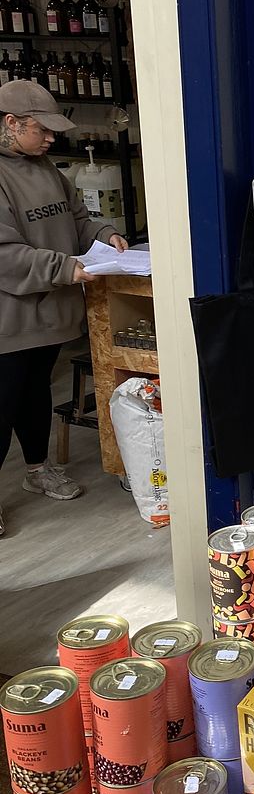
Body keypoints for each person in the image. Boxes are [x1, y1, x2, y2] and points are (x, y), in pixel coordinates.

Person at [0, 80, 128, 536]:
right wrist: (65, 267)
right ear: (11, 123)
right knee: (2, 405)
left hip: (49, 313)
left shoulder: (47, 169)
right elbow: (4, 254)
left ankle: (38, 470)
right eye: (42, 129)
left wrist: (103, 233)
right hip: (10, 320)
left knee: (35, 394)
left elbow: (75, 219)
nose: (52, 138)